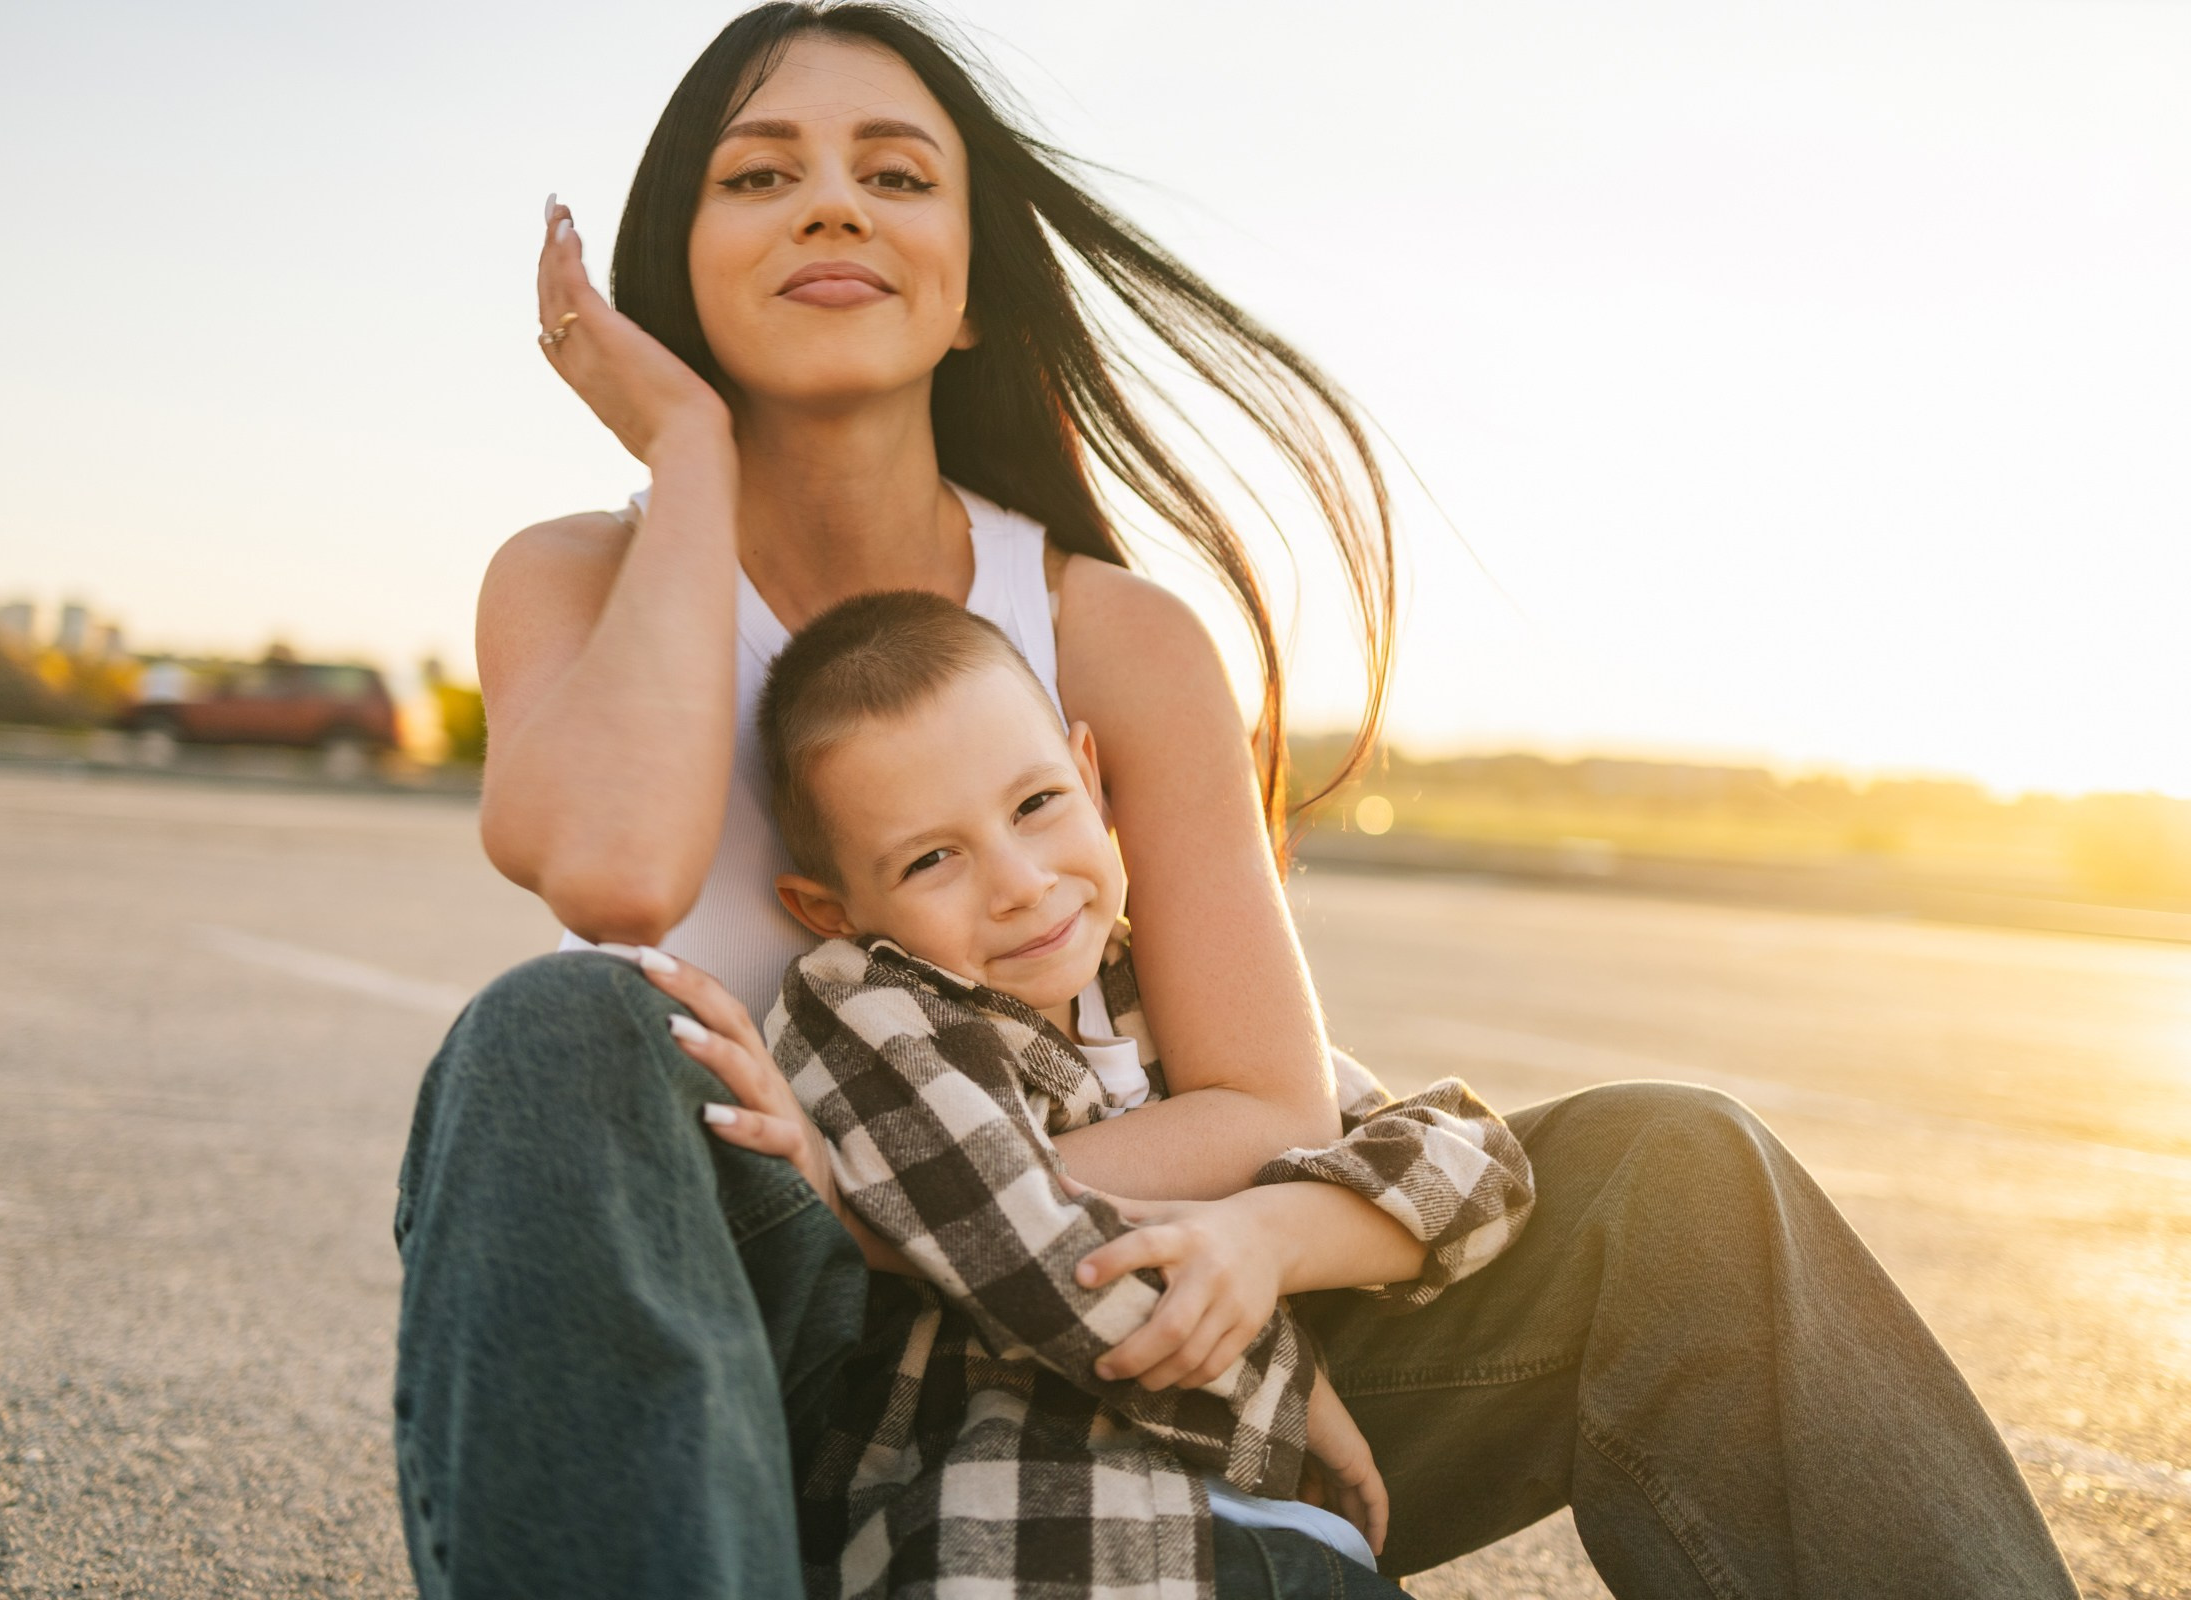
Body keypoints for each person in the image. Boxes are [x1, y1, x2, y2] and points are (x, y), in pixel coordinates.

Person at [391, 5, 2082, 1597]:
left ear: (973, 288)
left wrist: (993, 1221)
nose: (830, 207)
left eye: (895, 175)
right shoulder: (574, 576)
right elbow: (615, 878)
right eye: (761, 176)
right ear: (672, 272)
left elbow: (1260, 1095)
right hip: (764, 1349)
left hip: (1154, 1301)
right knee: (554, 1036)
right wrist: (686, 455)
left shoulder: (1110, 632)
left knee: (1682, 1177)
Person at [668, 585, 1533, 1593]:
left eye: (1037, 805)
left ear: (1090, 773)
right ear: (830, 908)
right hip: (1027, 1525)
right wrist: (1294, 1386)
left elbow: (1468, 1153)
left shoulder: (1151, 987)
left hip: (1253, 1517)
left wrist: (1273, 1235)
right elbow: (1034, 1252)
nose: (1024, 882)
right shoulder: (862, 1008)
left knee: (1662, 1158)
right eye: (932, 858)